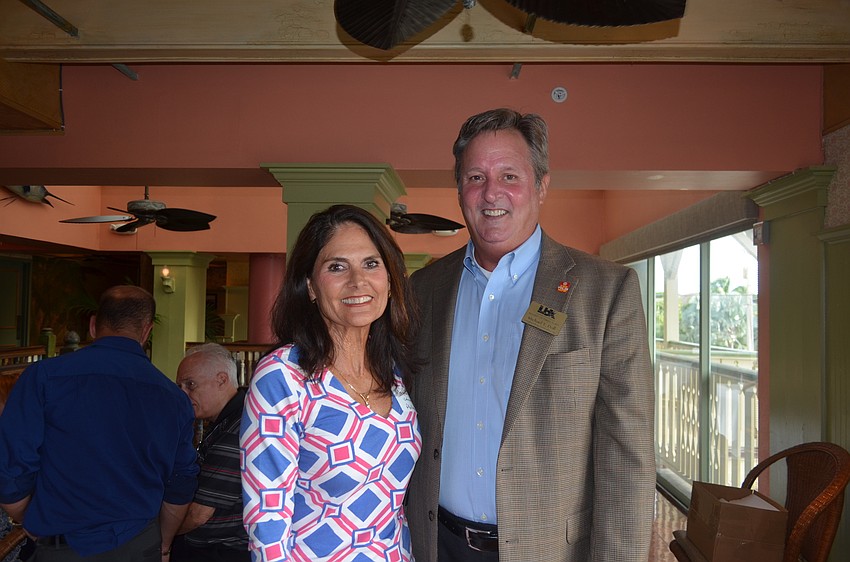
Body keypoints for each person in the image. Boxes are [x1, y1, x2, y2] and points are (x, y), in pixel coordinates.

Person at [406, 108, 656, 561]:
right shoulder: (422, 291)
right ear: (459, 188)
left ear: (541, 185)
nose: (491, 193)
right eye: (475, 176)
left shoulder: (606, 292)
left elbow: (627, 461)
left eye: (509, 175)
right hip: (434, 545)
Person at [240, 204, 421, 561]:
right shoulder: (284, 377)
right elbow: (266, 520)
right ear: (309, 286)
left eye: (371, 263)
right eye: (337, 267)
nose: (358, 281)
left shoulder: (394, 373)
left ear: (389, 279)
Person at [0, 285, 199, 561]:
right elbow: (181, 482)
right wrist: (163, 544)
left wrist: (36, 521)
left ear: (93, 326)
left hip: (60, 547)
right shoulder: (173, 398)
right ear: (146, 332)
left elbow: (10, 469)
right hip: (137, 545)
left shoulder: (43, 378)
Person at [172, 343, 248, 562]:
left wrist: (162, 538)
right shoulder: (229, 419)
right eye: (180, 387)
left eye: (191, 385)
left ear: (222, 380)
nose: (183, 394)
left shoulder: (239, 426)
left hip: (221, 552)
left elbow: (199, 515)